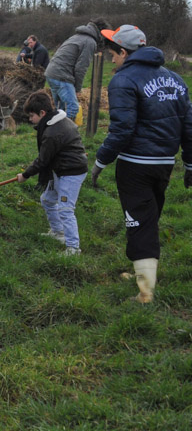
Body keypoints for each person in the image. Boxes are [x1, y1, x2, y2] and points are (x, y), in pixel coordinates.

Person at [91, 25, 192, 303]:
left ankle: (145, 291)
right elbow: (189, 125)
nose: (112, 59)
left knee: (138, 220)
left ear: (124, 52)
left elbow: (122, 129)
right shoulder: (175, 79)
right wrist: (190, 164)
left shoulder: (123, 81)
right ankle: (140, 269)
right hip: (164, 164)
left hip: (136, 164)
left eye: (114, 53)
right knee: (148, 217)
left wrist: (101, 161)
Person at [16, 90, 88, 255]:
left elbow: (42, 160)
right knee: (48, 199)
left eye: (32, 115)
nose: (30, 119)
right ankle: (58, 232)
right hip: (60, 169)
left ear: (42, 113)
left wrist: (25, 175)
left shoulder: (53, 132)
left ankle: (73, 248)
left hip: (71, 173)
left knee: (65, 209)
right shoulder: (57, 122)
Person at [44, 20, 107, 122]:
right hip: (62, 75)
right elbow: (81, 68)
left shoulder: (77, 36)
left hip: (51, 73)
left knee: (60, 109)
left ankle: (56, 131)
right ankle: (67, 133)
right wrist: (77, 89)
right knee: (73, 107)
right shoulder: (90, 42)